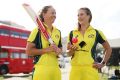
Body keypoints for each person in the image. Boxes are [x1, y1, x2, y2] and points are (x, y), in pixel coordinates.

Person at [67, 7, 112, 80]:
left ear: (89, 16)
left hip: (90, 68)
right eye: (78, 15)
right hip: (75, 70)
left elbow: (108, 49)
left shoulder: (97, 32)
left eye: (81, 14)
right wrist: (71, 50)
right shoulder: (72, 33)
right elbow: (68, 53)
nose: (79, 17)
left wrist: (102, 64)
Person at [26, 5, 62, 80]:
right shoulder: (36, 31)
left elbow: (60, 49)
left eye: (55, 13)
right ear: (43, 14)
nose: (54, 15)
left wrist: (58, 51)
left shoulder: (58, 32)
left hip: (56, 69)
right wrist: (47, 49)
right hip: (42, 70)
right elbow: (28, 51)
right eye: (52, 13)